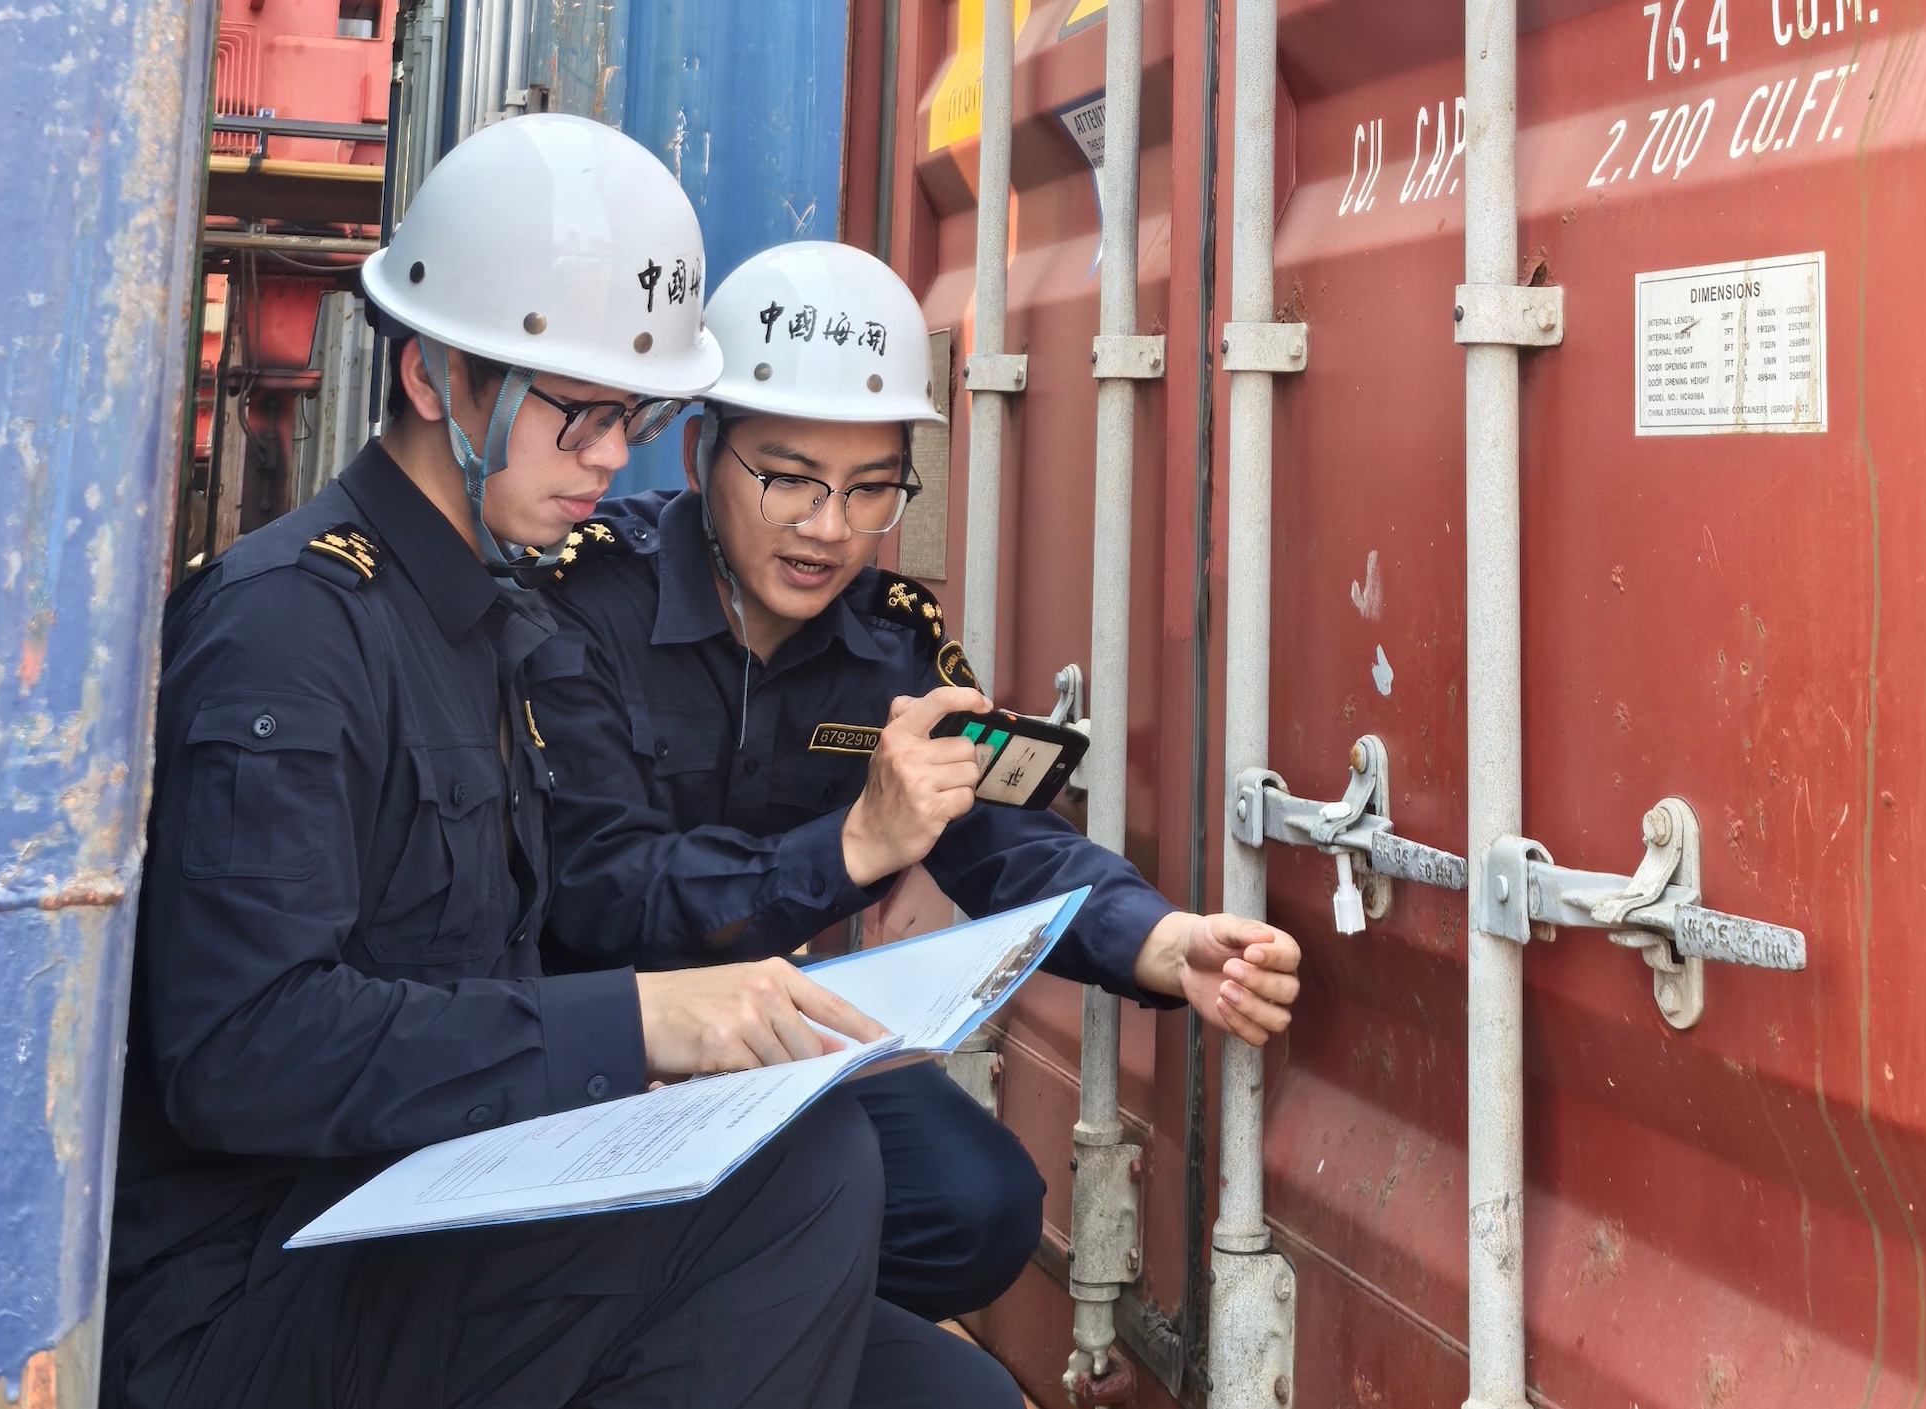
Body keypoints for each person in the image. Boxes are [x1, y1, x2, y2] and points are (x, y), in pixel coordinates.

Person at [105, 118, 1015, 1409]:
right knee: (805, 1182)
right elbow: (243, 1048)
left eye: (631, 415)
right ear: (434, 376)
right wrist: (639, 1018)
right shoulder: (289, 635)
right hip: (262, 1277)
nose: (608, 456)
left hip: (428, 1193)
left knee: (950, 1397)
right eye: (576, 412)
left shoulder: (489, 618)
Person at [530, 240, 1306, 1322]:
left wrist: (1160, 939)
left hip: (767, 1048)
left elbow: (1000, 837)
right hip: (585, 1045)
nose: (829, 528)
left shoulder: (892, 641)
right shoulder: (581, 607)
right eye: (789, 478)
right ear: (704, 448)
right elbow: (598, 883)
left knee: (977, 1205)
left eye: (872, 488)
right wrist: (852, 846)